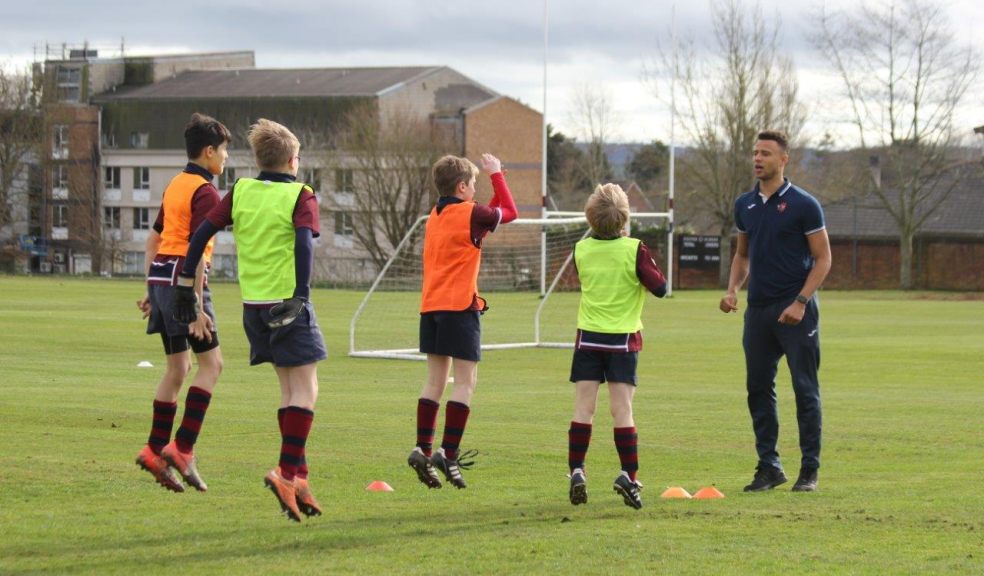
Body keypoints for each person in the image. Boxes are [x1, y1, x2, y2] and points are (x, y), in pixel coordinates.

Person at [173, 118, 326, 522]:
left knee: (289, 390)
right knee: (307, 389)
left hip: (253, 307)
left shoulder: (240, 190)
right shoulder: (301, 194)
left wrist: (186, 282)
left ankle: (301, 478)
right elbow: (303, 247)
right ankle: (286, 472)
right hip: (287, 304)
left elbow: (202, 233)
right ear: (293, 160)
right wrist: (301, 296)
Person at [719, 129, 831, 493]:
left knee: (804, 389)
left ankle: (809, 471)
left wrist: (800, 302)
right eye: (755, 152)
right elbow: (743, 254)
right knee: (757, 389)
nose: (757, 158)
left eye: (766, 153)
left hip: (797, 312)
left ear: (783, 160)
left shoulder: (804, 204)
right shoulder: (744, 205)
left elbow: (823, 258)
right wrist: (733, 289)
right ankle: (769, 467)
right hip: (759, 313)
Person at [406, 153, 518, 490]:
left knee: (434, 381)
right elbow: (510, 212)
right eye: (474, 184)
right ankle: (448, 452)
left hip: (431, 307)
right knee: (466, 382)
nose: (476, 190)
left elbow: (489, 215)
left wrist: (492, 184)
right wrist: (497, 175)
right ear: (462, 186)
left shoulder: (435, 216)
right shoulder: (471, 213)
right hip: (460, 307)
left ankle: (423, 448)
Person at [135, 113, 229, 493]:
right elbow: (197, 250)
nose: (225, 159)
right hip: (184, 282)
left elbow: (152, 241)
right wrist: (198, 306)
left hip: (161, 278)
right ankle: (183, 448)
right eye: (223, 152)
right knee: (213, 364)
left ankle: (155, 450)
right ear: (208, 152)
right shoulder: (206, 192)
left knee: (178, 367)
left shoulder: (175, 184)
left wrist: (149, 289)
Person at [565, 183, 667, 510]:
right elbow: (661, 288)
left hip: (588, 337)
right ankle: (628, 475)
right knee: (622, 410)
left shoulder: (581, 250)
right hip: (622, 339)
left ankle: (577, 470)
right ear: (625, 218)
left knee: (584, 409)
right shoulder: (635, 249)